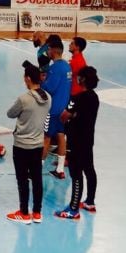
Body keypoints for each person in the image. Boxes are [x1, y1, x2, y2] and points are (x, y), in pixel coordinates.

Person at [5, 65, 51, 224]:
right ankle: (37, 212)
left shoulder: (24, 99)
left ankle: (24, 213)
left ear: (29, 79)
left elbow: (10, 113)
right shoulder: (48, 98)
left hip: (21, 145)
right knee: (37, 178)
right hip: (38, 144)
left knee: (22, 179)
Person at [56, 66, 100, 220]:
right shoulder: (94, 97)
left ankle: (73, 209)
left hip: (76, 141)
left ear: (82, 79)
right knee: (89, 169)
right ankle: (90, 202)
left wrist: (70, 116)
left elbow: (64, 116)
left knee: (76, 173)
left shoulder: (78, 98)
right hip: (88, 140)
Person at [40, 38, 72, 179]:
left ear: (53, 50)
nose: (47, 52)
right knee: (61, 136)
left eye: (48, 49)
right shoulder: (67, 67)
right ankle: (60, 169)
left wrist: (41, 81)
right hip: (63, 109)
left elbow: (49, 88)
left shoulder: (54, 68)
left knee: (46, 138)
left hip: (52, 110)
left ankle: (37, 167)